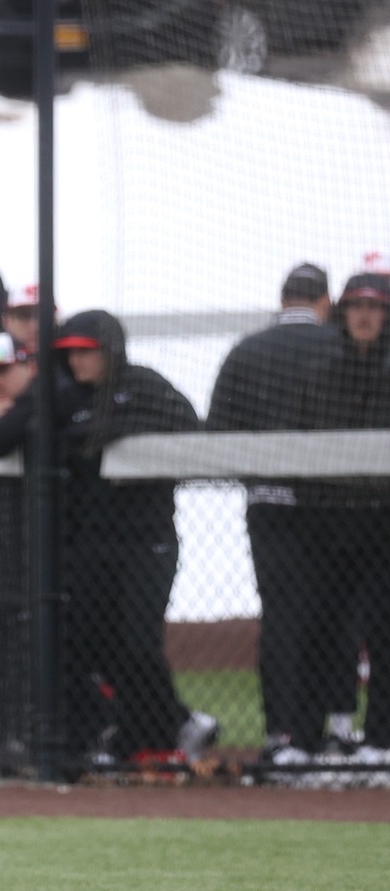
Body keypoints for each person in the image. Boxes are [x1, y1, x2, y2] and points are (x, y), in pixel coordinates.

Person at [51, 311, 216, 768]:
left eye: (87, 352)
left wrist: (121, 431)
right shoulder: (66, 399)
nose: (78, 362)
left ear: (110, 351)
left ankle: (153, 736)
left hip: (148, 541)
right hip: (92, 544)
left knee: (139, 641)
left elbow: (191, 430)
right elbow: (61, 441)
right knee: (97, 643)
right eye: (71, 354)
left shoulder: (146, 386)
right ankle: (163, 728)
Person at [206, 263, 337, 754]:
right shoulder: (339, 347)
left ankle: (280, 734)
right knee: (332, 618)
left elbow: (219, 432)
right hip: (336, 509)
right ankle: (326, 733)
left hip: (269, 505)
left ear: (282, 299)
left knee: (282, 616)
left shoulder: (246, 351)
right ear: (324, 301)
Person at [292, 270, 390, 751]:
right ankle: (317, 739)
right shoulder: (320, 375)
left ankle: (381, 742)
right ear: (342, 312)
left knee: (384, 634)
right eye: (355, 306)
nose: (365, 315)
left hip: (384, 525)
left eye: (375, 306)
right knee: (323, 629)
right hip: (329, 527)